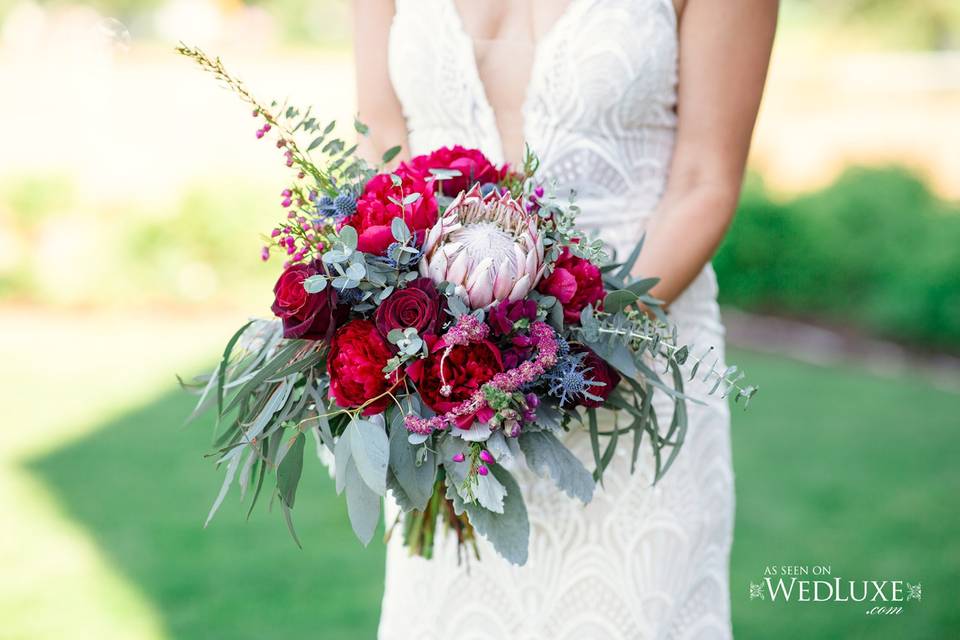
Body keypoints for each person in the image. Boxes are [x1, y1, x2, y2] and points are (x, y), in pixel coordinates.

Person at [353, 1, 777, 637]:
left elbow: (703, 179)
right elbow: (380, 132)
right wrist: (422, 330)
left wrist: (568, 347)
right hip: (448, 391)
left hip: (634, 376)